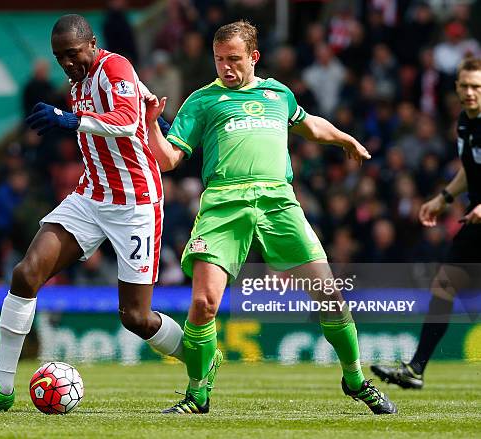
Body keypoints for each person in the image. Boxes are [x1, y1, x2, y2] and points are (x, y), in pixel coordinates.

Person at [0, 14, 218, 413]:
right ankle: (2, 388)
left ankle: (200, 359)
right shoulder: (83, 79)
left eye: (73, 53)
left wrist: (69, 118)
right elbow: (144, 107)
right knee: (26, 274)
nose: (66, 63)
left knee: (135, 317)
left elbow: (126, 119)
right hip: (91, 195)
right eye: (59, 56)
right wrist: (156, 117)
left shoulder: (114, 66)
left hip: (135, 204)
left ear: (92, 44)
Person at [145, 21, 396, 415]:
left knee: (329, 296)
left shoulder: (277, 92)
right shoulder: (201, 100)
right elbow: (169, 159)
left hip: (279, 201)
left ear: (253, 57)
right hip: (224, 202)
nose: (225, 67)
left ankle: (355, 379)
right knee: (204, 304)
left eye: (234, 59)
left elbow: (309, 124)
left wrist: (344, 138)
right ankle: (197, 393)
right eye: (219, 59)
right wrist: (150, 124)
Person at [371, 57, 481, 389]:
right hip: (475, 220)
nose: (470, 92)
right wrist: (443, 198)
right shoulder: (465, 122)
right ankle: (416, 369)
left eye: (476, 86)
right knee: (443, 285)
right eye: (464, 86)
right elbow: (470, 168)